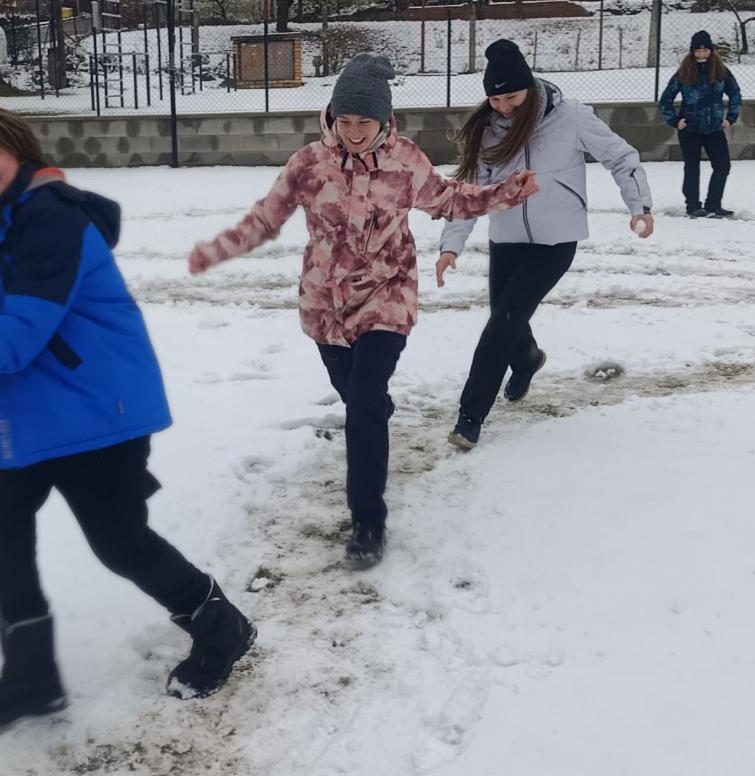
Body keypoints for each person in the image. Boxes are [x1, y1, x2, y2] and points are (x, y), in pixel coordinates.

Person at [0, 109, 255, 729]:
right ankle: (30, 674)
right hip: (40, 409)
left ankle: (222, 626)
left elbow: (15, 341)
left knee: (120, 543)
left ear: (21, 151)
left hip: (97, 409)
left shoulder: (48, 220)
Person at [188, 54, 536, 569]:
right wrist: (216, 250)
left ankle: (367, 522)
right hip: (325, 306)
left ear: (384, 120)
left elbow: (449, 200)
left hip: (387, 295)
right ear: (332, 115)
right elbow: (267, 218)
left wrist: (506, 192)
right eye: (345, 120)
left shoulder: (406, 160)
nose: (353, 132)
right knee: (360, 400)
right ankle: (372, 413)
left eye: (364, 122)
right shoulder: (309, 164)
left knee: (364, 402)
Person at [436, 38, 655, 450]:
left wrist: (638, 206)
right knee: (507, 318)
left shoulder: (570, 117)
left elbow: (621, 157)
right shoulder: (486, 130)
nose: (503, 107)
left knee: (501, 324)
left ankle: (470, 417)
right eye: (495, 99)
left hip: (556, 241)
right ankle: (529, 359)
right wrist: (451, 246)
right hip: (506, 239)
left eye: (511, 97)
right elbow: (471, 192)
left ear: (530, 89)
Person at [659, 31, 743, 218]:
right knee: (692, 167)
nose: (702, 54)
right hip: (690, 129)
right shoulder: (683, 73)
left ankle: (713, 204)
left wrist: (730, 118)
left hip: (714, 128)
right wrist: (674, 120)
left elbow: (735, 94)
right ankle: (693, 206)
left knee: (722, 167)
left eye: (705, 50)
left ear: (711, 51)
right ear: (692, 52)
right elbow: (665, 100)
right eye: (698, 50)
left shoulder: (722, 72)